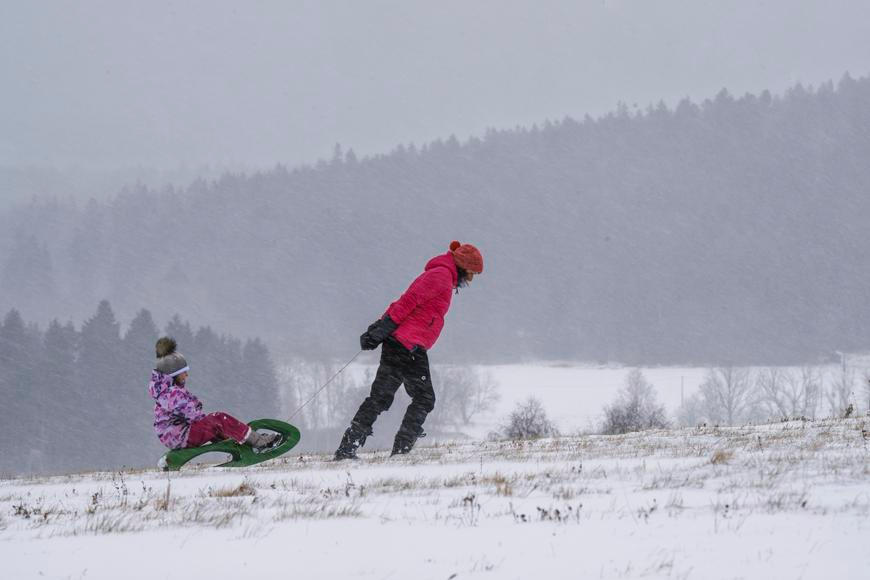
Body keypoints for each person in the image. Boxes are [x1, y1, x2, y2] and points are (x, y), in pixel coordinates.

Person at [334, 240, 484, 460]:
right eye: (472, 272)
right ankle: (401, 452)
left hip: (401, 343)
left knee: (380, 398)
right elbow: (407, 302)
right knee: (424, 398)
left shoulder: (442, 275)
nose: (470, 279)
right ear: (463, 266)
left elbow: (404, 302)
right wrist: (380, 329)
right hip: (408, 345)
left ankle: (348, 448)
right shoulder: (440, 276)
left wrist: (381, 327)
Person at [148, 337, 279, 450]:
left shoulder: (166, 393)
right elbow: (193, 416)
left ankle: (240, 442)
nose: (187, 375)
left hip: (175, 437)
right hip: (181, 436)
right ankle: (258, 442)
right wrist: (214, 423)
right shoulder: (172, 394)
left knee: (215, 423)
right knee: (220, 419)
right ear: (173, 374)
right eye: (183, 372)